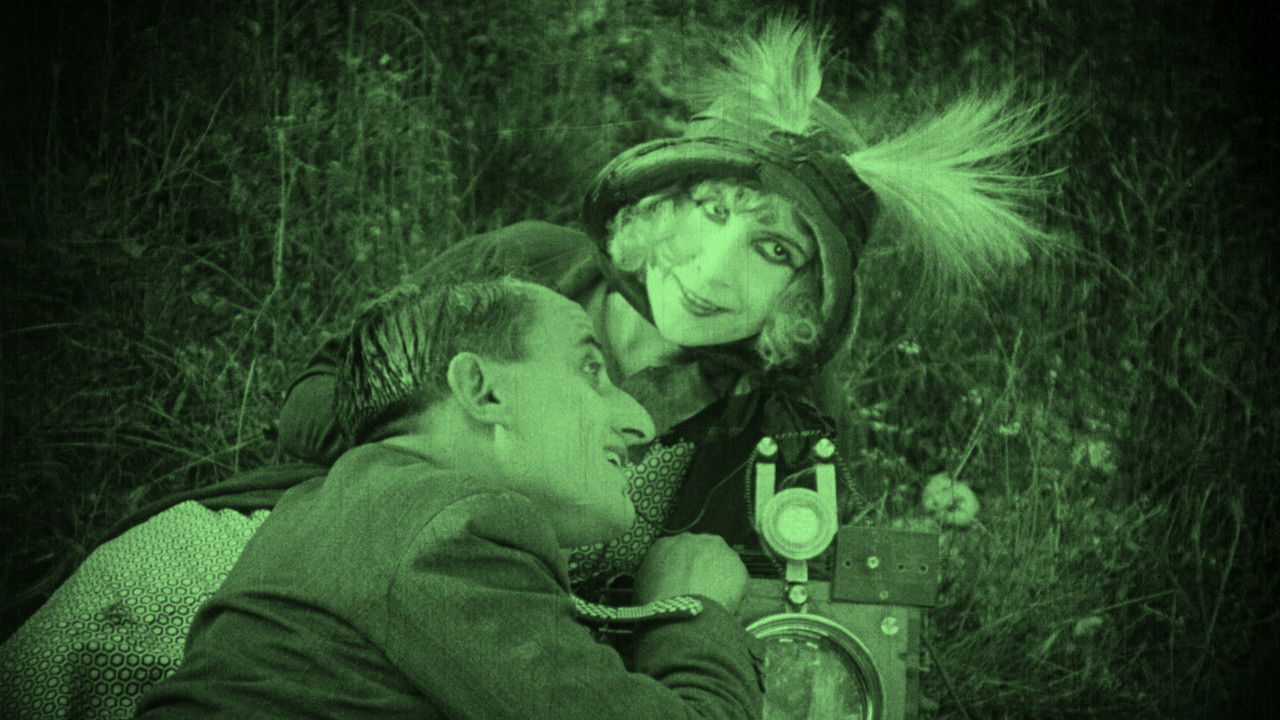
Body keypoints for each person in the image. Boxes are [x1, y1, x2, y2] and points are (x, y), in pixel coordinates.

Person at [0, 14, 1071, 718]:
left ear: (803, 302)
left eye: (773, 251)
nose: (715, 271)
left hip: (553, 647)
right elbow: (325, 400)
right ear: (660, 205)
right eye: (708, 213)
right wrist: (469, 444)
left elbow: (765, 584)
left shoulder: (782, 425)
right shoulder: (523, 269)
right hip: (338, 558)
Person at [130, 279, 765, 718]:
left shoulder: (337, 510)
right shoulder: (449, 528)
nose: (640, 422)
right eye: (591, 370)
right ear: (483, 392)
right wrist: (692, 607)